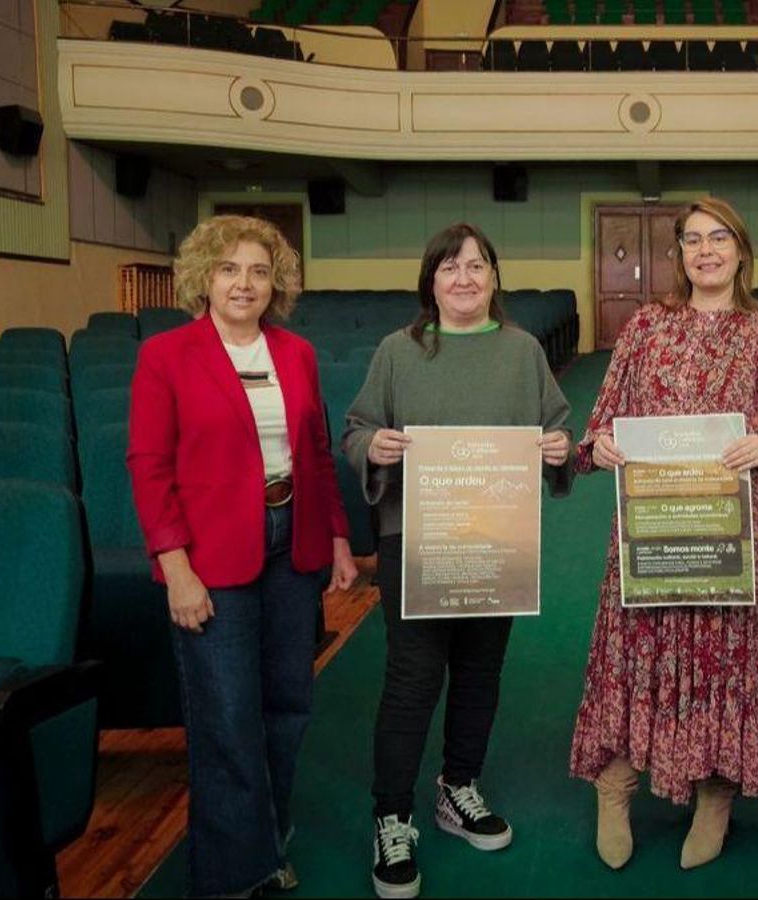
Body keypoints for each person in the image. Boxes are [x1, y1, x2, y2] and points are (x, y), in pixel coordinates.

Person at [568, 197, 758, 871]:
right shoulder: (646, 327)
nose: (706, 251)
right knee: (638, 650)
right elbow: (600, 423)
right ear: (678, 254)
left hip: (741, 531)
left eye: (719, 238)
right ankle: (615, 784)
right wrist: (601, 444)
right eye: (693, 240)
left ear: (741, 250)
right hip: (654, 525)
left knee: (729, 659)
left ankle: (716, 793)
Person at [128, 214, 359, 898]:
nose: (244, 283)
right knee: (226, 716)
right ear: (204, 277)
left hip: (293, 543)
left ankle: (268, 844)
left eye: (259, 271)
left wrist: (337, 536)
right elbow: (149, 467)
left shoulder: (296, 353)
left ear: (275, 283)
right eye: (229, 269)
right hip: (211, 555)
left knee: (289, 704)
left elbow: (316, 454)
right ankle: (230, 875)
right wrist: (175, 568)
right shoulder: (167, 355)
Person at [342, 223, 573, 900]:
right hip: (416, 539)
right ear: (431, 281)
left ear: (494, 278)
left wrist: (559, 447)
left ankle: (458, 788)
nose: (464, 278)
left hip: (497, 539)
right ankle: (392, 816)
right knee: (412, 679)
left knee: (479, 671)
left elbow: (558, 425)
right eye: (450, 268)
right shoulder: (398, 351)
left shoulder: (523, 351)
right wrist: (373, 448)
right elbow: (356, 429)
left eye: (476, 266)